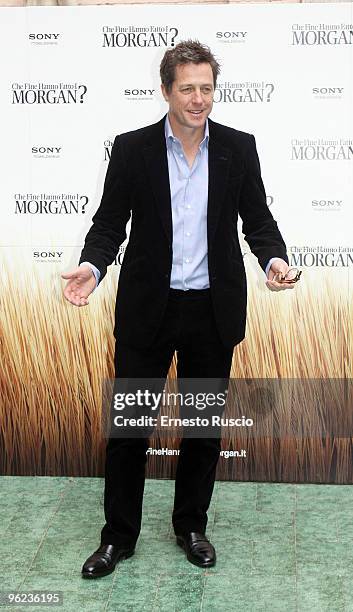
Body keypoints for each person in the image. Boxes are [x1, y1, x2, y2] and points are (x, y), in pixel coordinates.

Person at [62, 40, 295, 579]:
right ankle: (119, 537)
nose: (198, 98)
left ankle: (191, 525)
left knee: (203, 430)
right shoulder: (132, 148)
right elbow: (108, 224)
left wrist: (273, 260)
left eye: (206, 88)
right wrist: (92, 269)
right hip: (149, 312)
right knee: (129, 431)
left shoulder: (239, 147)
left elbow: (257, 219)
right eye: (187, 88)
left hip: (211, 313)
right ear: (166, 90)